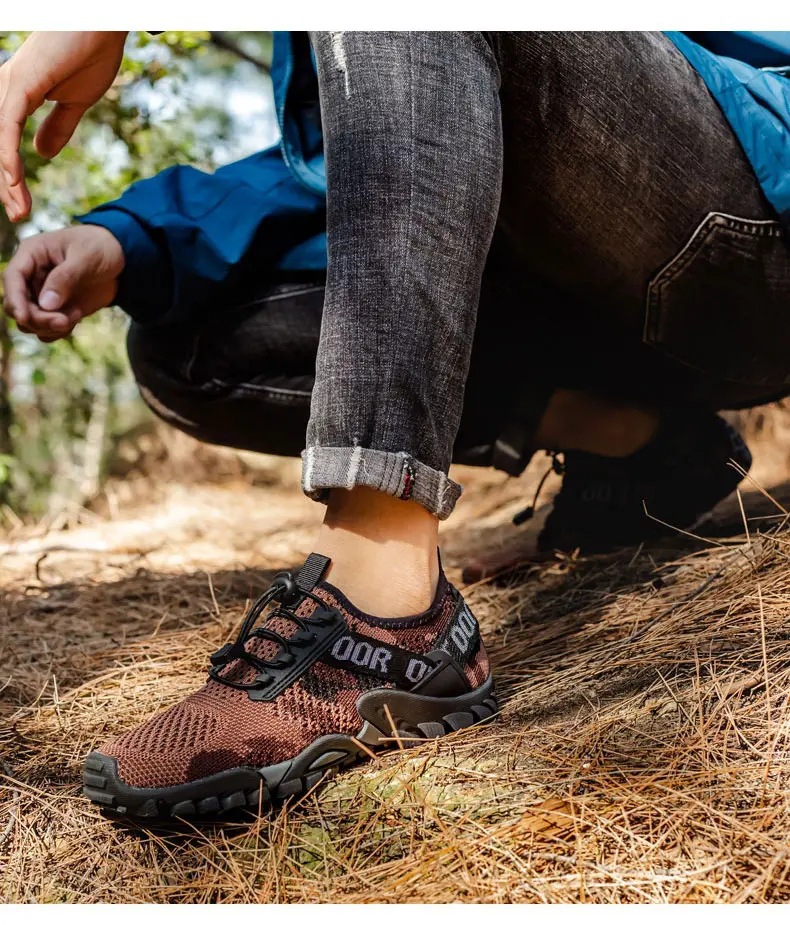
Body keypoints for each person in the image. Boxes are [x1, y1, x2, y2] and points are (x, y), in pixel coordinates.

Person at [2, 31, 789, 819]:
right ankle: (640, 443)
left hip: (746, 232)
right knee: (187, 342)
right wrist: (133, 237)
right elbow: (373, 147)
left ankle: (385, 608)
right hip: (573, 299)